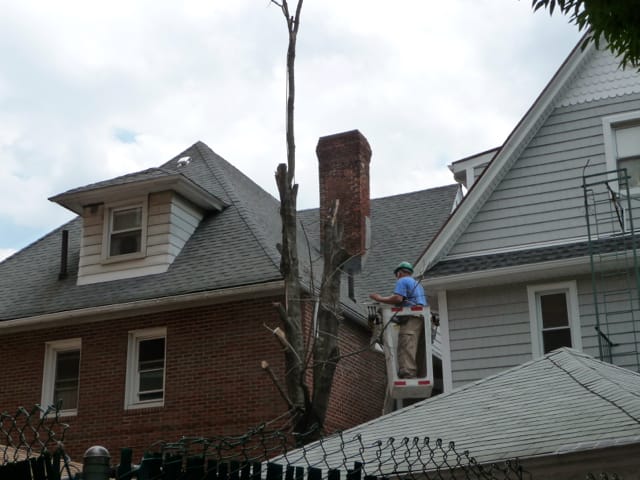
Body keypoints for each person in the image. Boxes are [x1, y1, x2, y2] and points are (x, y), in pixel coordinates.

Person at [369, 261, 427, 379]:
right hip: (420, 317)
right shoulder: (417, 284)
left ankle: (408, 372)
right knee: (414, 345)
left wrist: (379, 298)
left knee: (406, 342)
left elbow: (398, 298)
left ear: (399, 273)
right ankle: (416, 372)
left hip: (411, 317)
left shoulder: (403, 280)